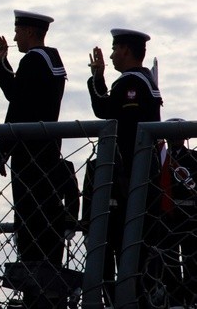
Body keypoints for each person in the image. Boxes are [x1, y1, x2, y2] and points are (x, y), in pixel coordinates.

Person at [0, 10, 68, 308]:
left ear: (30, 32)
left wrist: (5, 146)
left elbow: (18, 102)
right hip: (47, 151)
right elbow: (24, 95)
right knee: (45, 220)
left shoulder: (34, 60)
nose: (14, 37)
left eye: (17, 31)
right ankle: (47, 291)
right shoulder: (52, 60)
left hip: (30, 153)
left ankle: (36, 292)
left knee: (30, 222)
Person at [86, 28, 162, 305]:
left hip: (128, 175)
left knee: (123, 243)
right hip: (142, 175)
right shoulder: (146, 81)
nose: (111, 54)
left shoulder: (131, 82)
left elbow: (105, 112)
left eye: (115, 49)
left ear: (126, 51)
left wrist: (97, 78)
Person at [152, 119, 197, 307]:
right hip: (168, 216)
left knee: (192, 260)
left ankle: (192, 298)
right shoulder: (160, 158)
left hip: (190, 214)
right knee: (169, 261)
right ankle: (176, 299)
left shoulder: (195, 158)